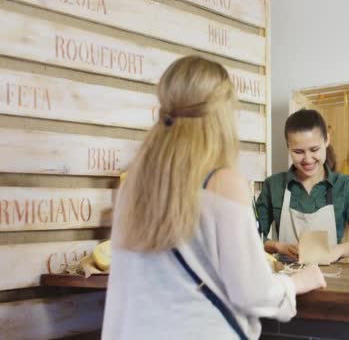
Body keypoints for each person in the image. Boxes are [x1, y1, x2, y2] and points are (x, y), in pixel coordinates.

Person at [102, 55, 326, 340]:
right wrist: (294, 283)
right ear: (221, 113)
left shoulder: (132, 185)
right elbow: (252, 292)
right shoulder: (223, 183)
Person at [256, 109, 349, 263]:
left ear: (327, 140)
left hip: (331, 280)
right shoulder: (273, 185)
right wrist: (279, 247)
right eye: (298, 151)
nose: (308, 159)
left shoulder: (345, 185)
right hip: (287, 280)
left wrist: (338, 250)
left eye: (314, 149)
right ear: (288, 147)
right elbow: (250, 236)